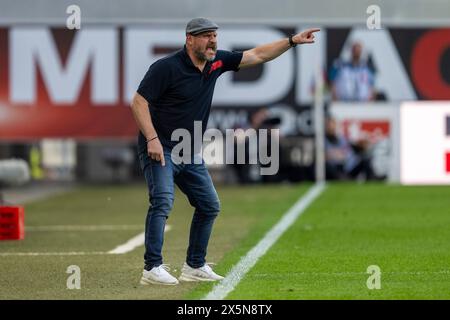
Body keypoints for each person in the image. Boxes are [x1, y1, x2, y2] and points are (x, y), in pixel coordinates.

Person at [131, 17, 319, 285]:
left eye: (214, 35)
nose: (213, 41)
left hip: (188, 149)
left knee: (209, 205)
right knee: (162, 201)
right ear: (189, 39)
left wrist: (291, 41)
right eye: (206, 36)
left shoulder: (216, 62)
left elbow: (257, 54)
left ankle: (194, 265)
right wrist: (151, 138)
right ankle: (152, 268)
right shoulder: (166, 67)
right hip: (160, 147)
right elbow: (138, 102)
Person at [325, 117, 374, 181]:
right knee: (329, 167)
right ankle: (344, 179)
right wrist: (334, 154)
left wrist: (361, 145)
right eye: (329, 126)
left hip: (349, 167)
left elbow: (352, 147)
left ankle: (372, 180)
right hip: (336, 168)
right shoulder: (323, 140)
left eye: (333, 125)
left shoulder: (341, 138)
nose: (332, 128)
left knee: (365, 160)